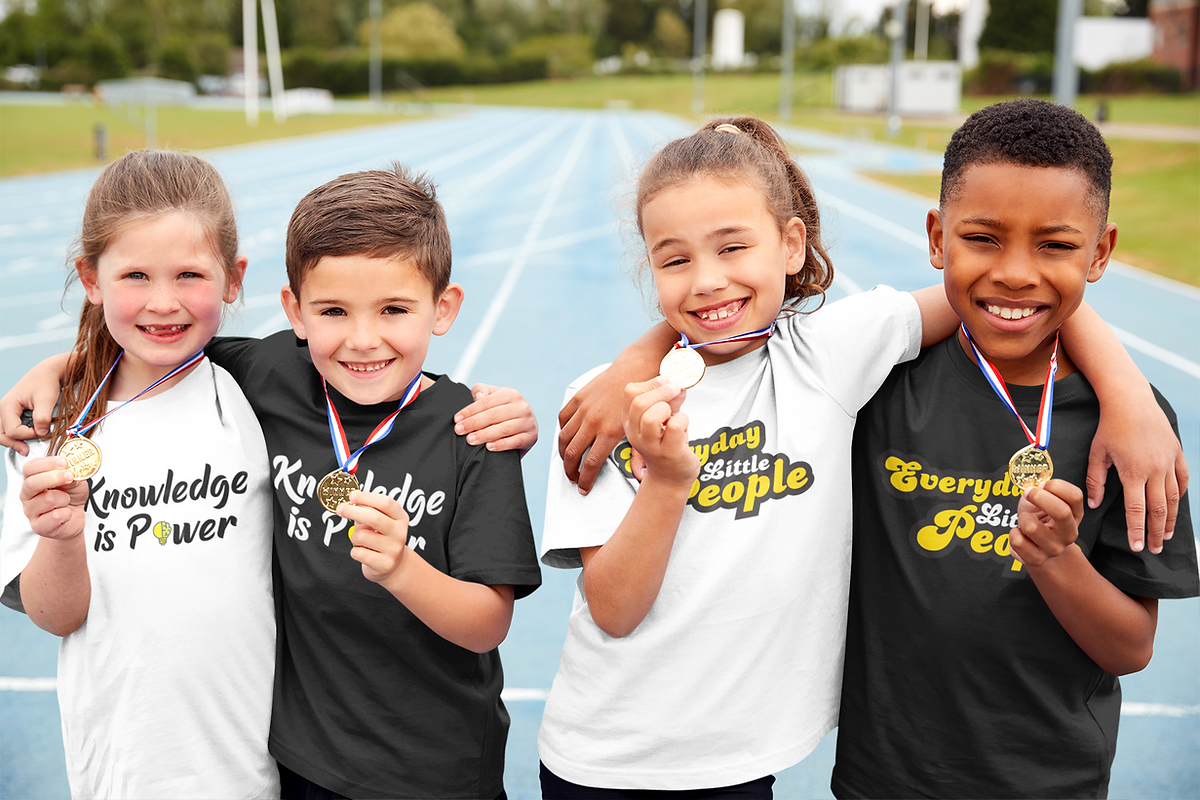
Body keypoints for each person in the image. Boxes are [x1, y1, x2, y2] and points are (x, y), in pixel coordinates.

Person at [544, 114, 1189, 798]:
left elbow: (1010, 295)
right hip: (627, 759)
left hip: (783, 767)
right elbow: (613, 608)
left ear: (791, 244)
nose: (707, 281)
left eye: (733, 247)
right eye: (675, 259)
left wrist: (1127, 394)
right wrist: (632, 373)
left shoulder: (829, 361)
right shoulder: (608, 408)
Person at [1, 165, 543, 799]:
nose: (362, 337)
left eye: (393, 309)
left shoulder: (469, 433)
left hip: (427, 772)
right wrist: (60, 368)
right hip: (275, 765)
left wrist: (402, 566)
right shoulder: (77, 427)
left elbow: (488, 621)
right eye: (334, 310)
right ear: (296, 312)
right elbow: (150, 351)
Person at [832, 99, 1198, 799]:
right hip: (883, 780)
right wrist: (641, 360)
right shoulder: (876, 387)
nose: (1016, 273)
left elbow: (1131, 647)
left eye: (1056, 245)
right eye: (984, 238)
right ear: (938, 238)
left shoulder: (1133, 430)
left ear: (1101, 252)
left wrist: (1059, 561)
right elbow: (752, 336)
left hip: (1050, 783)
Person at [0, 150, 279, 798]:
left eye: (188, 274)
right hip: (122, 772)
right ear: (90, 278)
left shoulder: (259, 393)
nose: (162, 302)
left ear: (233, 278)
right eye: (134, 275)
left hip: (256, 771)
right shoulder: (50, 424)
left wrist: (488, 406)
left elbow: (375, 375)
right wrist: (62, 536)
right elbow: (54, 615)